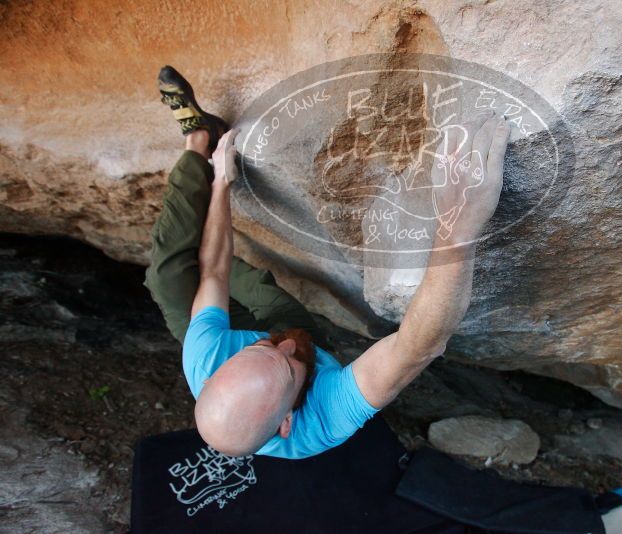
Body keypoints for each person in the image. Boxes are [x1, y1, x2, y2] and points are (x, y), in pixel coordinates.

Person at [145, 66, 511, 459]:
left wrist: (221, 182)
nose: (285, 345)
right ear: (286, 421)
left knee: (168, 277)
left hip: (226, 334)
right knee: (257, 295)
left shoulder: (204, 356)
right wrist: (456, 229)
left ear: (219, 370)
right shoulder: (320, 421)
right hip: (288, 326)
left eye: (260, 348)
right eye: (289, 365)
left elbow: (215, 269)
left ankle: (199, 142)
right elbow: (416, 347)